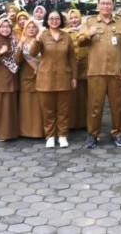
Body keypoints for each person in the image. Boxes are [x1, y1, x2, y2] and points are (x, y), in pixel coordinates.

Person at [77, 0, 121, 149]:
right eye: (103, 3)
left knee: (117, 106)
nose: (106, 6)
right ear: (98, 5)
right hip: (96, 71)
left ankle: (118, 133)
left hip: (116, 71)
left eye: (109, 3)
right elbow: (80, 42)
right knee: (95, 106)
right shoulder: (90, 22)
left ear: (113, 5)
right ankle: (92, 134)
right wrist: (89, 33)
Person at [30, 10, 77, 148]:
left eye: (57, 18)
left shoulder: (67, 36)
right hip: (46, 78)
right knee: (48, 110)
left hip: (64, 77)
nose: (54, 21)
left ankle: (62, 135)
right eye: (51, 18)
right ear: (47, 20)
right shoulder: (43, 36)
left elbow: (72, 58)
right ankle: (50, 136)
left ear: (61, 20)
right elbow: (33, 53)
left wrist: (74, 77)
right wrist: (37, 39)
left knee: (63, 109)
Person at [15, 19, 44, 138]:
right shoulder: (21, 41)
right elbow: (17, 60)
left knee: (39, 104)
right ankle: (26, 131)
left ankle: (39, 131)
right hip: (26, 77)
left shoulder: (41, 41)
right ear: (25, 29)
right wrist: (20, 47)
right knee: (26, 105)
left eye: (34, 27)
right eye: (28, 27)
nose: (31, 29)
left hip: (41, 76)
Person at [65, 9, 88, 130]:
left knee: (84, 95)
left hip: (85, 65)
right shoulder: (64, 32)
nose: (74, 20)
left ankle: (85, 122)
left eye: (76, 17)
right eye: (71, 18)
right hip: (70, 67)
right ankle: (72, 123)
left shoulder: (86, 31)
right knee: (72, 96)